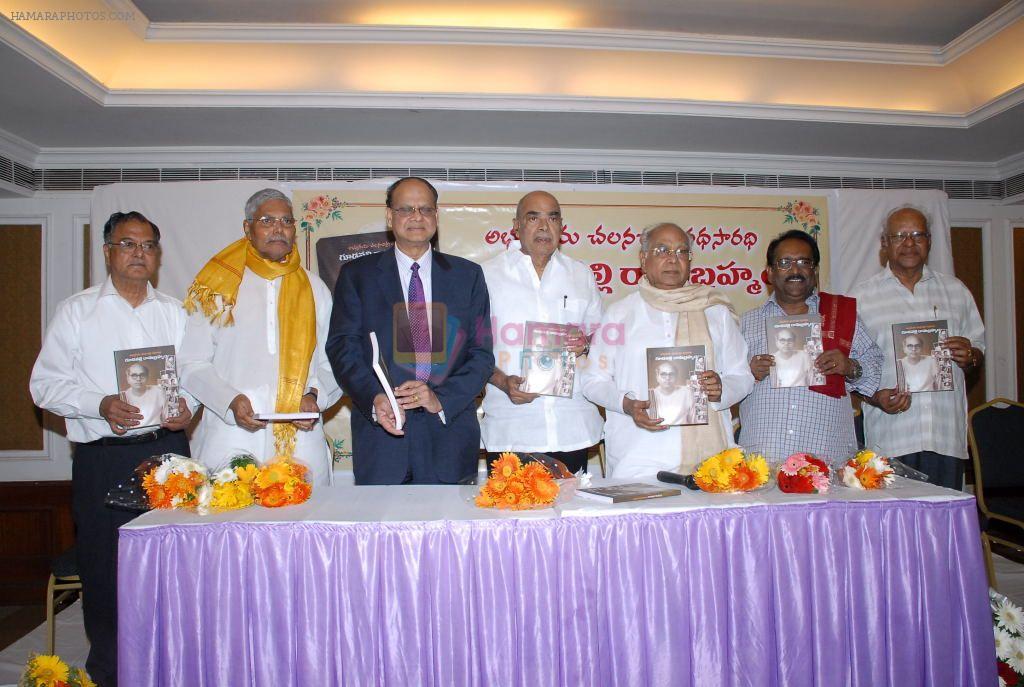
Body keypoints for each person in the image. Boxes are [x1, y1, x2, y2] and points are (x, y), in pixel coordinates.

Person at [30, 211, 192, 687]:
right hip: (105, 456)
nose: (139, 253)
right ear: (108, 252)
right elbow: (44, 386)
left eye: (148, 246)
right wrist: (98, 403)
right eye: (128, 244)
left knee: (172, 565)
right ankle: (114, 672)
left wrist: (190, 409)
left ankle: (172, 665)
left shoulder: (175, 311)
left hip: (170, 452)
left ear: (157, 256)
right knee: (107, 570)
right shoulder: (77, 312)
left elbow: (194, 376)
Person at [326, 177, 494, 484]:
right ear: (390, 217)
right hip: (383, 440)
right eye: (406, 209)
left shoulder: (467, 276)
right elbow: (343, 348)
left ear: (436, 216)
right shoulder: (357, 276)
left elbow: (481, 354)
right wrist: (375, 397)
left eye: (425, 209)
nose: (417, 217)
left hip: (449, 439)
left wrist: (439, 398)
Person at [179, 189, 341, 484]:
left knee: (303, 524)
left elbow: (333, 361)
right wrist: (230, 400)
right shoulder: (218, 286)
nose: (279, 229)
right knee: (227, 525)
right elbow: (192, 363)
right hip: (230, 435)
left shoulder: (315, 289)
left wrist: (314, 395)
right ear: (247, 228)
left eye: (286, 221)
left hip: (299, 436)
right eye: (267, 221)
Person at [581, 222, 753, 477]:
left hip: (711, 462)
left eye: (682, 251)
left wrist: (721, 390)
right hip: (637, 458)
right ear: (643, 258)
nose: (673, 259)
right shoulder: (620, 313)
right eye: (662, 250)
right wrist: (627, 405)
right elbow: (592, 380)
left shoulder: (715, 311)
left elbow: (742, 376)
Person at [852, 205, 985, 489]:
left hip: (944, 436)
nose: (909, 243)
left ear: (929, 241)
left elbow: (978, 348)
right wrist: (875, 396)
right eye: (900, 235)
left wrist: (970, 355)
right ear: (885, 243)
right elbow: (852, 367)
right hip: (891, 437)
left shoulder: (956, 291)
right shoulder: (861, 298)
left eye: (917, 235)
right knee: (893, 528)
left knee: (941, 527)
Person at [480, 191, 603, 473]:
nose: (544, 226)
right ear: (517, 225)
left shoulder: (581, 275)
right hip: (512, 426)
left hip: (572, 426)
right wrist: (502, 382)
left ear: (562, 226)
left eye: (553, 217)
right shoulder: (486, 275)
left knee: (572, 515)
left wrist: (585, 343)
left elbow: (601, 337)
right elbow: (471, 350)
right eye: (533, 217)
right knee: (513, 514)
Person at [739, 229, 883, 464]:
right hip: (762, 459)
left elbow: (875, 364)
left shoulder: (841, 316)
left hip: (828, 457)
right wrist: (749, 373)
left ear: (815, 272)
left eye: (803, 262)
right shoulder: (746, 323)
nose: (795, 270)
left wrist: (850, 366)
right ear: (770, 273)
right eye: (785, 262)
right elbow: (726, 381)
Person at [649, 361, 699, 425]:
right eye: (663, 374)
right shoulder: (651, 394)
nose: (667, 378)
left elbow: (693, 422)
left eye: (671, 374)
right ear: (657, 377)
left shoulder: (687, 392)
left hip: (684, 432)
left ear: (676, 376)